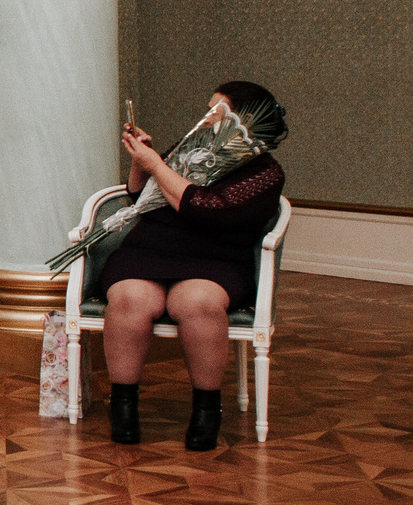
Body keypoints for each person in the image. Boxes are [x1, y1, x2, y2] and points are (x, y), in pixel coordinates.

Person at [91, 81, 289, 452]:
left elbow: (206, 209)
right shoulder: (192, 149)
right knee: (130, 298)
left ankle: (206, 411)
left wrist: (157, 168)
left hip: (215, 256)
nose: (206, 118)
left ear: (243, 121)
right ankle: (123, 407)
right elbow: (138, 195)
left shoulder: (265, 173)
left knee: (196, 303)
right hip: (150, 248)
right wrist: (142, 163)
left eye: (216, 111)